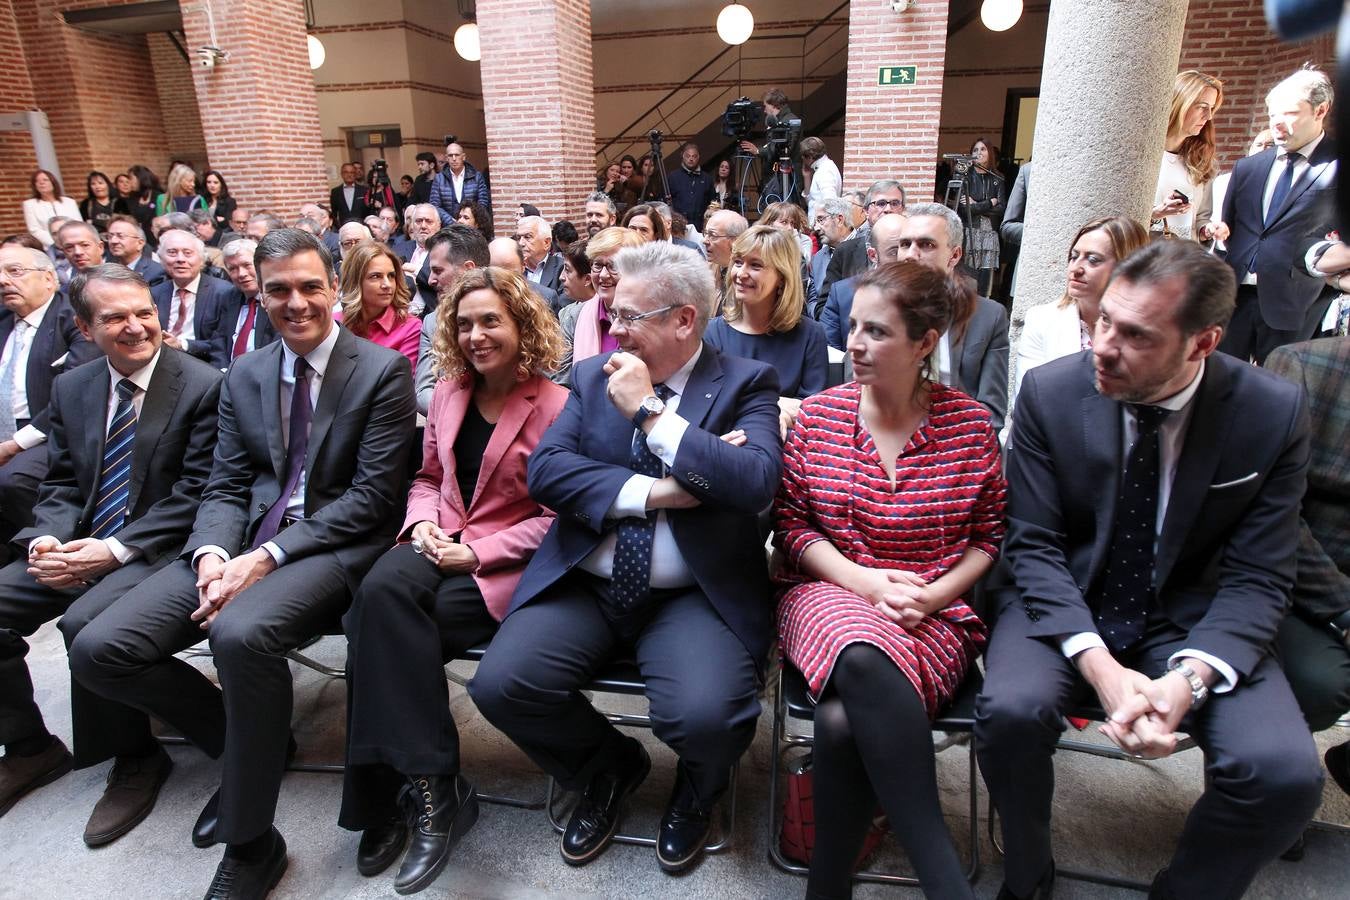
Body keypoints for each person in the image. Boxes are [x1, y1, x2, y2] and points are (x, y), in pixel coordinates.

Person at [69, 228, 417, 900]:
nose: (296, 303)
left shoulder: (380, 370)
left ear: (332, 291)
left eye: (310, 286)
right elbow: (225, 483)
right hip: (242, 542)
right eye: (279, 289)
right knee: (98, 648)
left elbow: (373, 500)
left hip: (330, 545)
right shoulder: (249, 373)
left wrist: (265, 557)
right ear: (259, 293)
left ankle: (252, 842)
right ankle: (245, 744)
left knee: (239, 634)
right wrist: (212, 553)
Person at [975, 239, 1322, 900]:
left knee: (1284, 776)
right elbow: (1034, 547)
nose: (1104, 344)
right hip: (1065, 600)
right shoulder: (1052, 391)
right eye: (1104, 319)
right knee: (1011, 713)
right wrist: (1104, 672)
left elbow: (1260, 576)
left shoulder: (1271, 413)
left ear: (1203, 342)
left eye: (1136, 335)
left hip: (1192, 613)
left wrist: (1188, 683)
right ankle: (1027, 876)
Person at [468, 240, 782, 875]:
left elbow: (753, 482)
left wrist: (652, 416)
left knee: (707, 717)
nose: (614, 325)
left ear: (683, 319)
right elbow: (549, 474)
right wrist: (661, 490)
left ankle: (698, 787)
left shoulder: (746, 381)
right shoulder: (589, 374)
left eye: (631, 315)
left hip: (693, 594)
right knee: (503, 686)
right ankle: (609, 767)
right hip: (587, 581)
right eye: (613, 312)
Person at [775, 260, 1004, 900]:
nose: (853, 344)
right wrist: (865, 582)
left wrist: (934, 594)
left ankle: (828, 889)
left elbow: (990, 537)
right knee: (860, 650)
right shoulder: (819, 418)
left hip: (933, 611)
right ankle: (943, 880)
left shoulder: (969, 426)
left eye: (876, 332)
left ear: (925, 343)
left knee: (844, 724)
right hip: (825, 591)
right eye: (852, 327)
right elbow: (792, 526)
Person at [339, 266, 567, 893]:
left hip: (503, 567)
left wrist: (480, 552)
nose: (475, 334)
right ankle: (435, 788)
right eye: (463, 323)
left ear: (522, 325)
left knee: (372, 625)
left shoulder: (556, 405)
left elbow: (562, 519)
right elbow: (426, 480)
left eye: (491, 320)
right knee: (378, 605)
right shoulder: (446, 392)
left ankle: (391, 799)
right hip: (435, 542)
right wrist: (419, 527)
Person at [0, 263, 221, 843]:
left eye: (144, 312)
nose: (135, 327)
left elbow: (196, 492)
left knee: (84, 626)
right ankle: (28, 747)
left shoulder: (200, 384)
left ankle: (138, 757)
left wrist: (113, 550)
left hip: (157, 544)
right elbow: (63, 481)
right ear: (83, 327)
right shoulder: (75, 387)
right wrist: (45, 538)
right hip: (77, 540)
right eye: (114, 317)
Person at [1263, 337, 1350, 805]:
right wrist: (1345, 610)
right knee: (1321, 683)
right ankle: (1268, 788)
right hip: (1300, 583)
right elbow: (1275, 516)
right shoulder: (1304, 367)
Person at [1216, 67, 1337, 364]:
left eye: (1289, 114)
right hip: (1233, 299)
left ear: (1321, 110)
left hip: (1297, 302)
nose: (1277, 126)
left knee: (1276, 389)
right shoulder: (1248, 168)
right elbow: (1231, 228)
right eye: (1272, 116)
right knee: (1218, 383)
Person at [0, 245, 103, 553]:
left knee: (13, 479)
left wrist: (14, 444)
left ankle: (48, 551)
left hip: (50, 430)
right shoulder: (4, 320)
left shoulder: (73, 320)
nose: (4, 281)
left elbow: (73, 393)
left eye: (15, 271)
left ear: (49, 279)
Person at [1009, 215, 1149, 419]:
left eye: (1093, 260)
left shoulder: (1147, 329)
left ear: (1126, 267)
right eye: (1074, 257)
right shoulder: (1042, 319)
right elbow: (1028, 403)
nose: (1076, 269)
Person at [893, 203, 1011, 432]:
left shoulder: (988, 317)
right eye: (905, 244)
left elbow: (992, 412)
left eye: (926, 245)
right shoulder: (875, 310)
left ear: (954, 255)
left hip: (957, 448)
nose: (911, 255)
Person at [706, 225, 826, 437]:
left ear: (781, 275)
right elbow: (706, 406)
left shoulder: (810, 335)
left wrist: (738, 401)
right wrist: (773, 407)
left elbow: (814, 412)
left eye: (756, 265)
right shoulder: (711, 333)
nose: (741, 274)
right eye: (738, 262)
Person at [414, 225, 491, 415]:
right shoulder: (433, 323)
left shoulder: (514, 313)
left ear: (468, 270)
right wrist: (464, 414)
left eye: (438, 271)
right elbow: (423, 393)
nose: (431, 280)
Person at [554, 226, 645, 384]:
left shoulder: (652, 318)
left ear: (637, 269)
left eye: (613, 266)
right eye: (597, 265)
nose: (603, 275)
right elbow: (562, 382)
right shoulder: (572, 316)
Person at [1151, 72, 1226, 243]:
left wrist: (1207, 230)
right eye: (1201, 106)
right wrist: (1157, 213)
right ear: (1180, 103)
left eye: (1212, 108)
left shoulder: (1203, 161)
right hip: (1143, 255)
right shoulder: (1144, 155)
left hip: (1181, 258)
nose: (1209, 116)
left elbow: (1200, 218)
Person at [149, 229, 235, 369]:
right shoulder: (155, 293)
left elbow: (223, 343)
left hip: (205, 365)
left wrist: (182, 344)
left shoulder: (223, 292)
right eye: (172, 253)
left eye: (188, 253)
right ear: (161, 259)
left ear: (201, 259)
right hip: (161, 364)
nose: (180, 259)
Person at [821, 212, 906, 351]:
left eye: (908, 246)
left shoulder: (932, 293)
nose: (905, 257)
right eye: (894, 252)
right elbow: (831, 357)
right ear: (873, 255)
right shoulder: (843, 295)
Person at [337, 241, 421, 369]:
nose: (387, 285)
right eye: (376, 276)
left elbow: (401, 382)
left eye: (391, 276)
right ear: (355, 281)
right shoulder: (333, 324)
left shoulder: (409, 327)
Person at [821, 179, 905, 299]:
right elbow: (824, 304)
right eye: (880, 203)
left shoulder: (913, 251)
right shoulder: (845, 252)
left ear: (903, 209)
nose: (888, 209)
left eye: (895, 203)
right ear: (866, 211)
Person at [219, 237, 278, 362]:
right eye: (233, 269)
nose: (241, 274)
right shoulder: (229, 298)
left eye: (247, 265)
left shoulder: (277, 298)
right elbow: (219, 342)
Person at [961, 139, 1005, 297]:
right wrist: (990, 202)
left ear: (990, 153)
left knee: (986, 279)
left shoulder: (997, 178)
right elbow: (965, 209)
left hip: (989, 234)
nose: (978, 153)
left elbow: (1001, 209)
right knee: (967, 275)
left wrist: (977, 204)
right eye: (975, 150)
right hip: (969, 231)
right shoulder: (965, 177)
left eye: (983, 149)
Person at [429, 141, 492, 225]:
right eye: (450, 156)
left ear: (463, 157)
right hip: (448, 227)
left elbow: (483, 201)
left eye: (457, 155)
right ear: (447, 158)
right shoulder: (439, 178)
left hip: (472, 227)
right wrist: (451, 222)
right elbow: (435, 205)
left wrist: (470, 219)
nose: (454, 158)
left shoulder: (476, 176)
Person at [23, 170, 82, 250]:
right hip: (49, 247)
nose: (41, 183)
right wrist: (56, 243)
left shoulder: (69, 202)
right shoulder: (30, 204)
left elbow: (79, 224)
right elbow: (34, 230)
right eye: (37, 181)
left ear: (53, 182)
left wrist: (71, 240)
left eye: (45, 180)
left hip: (74, 244)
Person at [105, 215, 167, 287]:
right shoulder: (105, 270)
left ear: (140, 243)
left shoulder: (156, 272)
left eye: (120, 236)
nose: (113, 241)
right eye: (110, 236)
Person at [666, 142, 715, 228]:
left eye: (694, 156)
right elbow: (665, 201)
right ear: (683, 157)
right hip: (677, 225)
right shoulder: (673, 177)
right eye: (688, 156)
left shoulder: (707, 179)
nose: (691, 159)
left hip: (699, 225)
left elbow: (713, 201)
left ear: (698, 157)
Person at [514, 216, 563, 293]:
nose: (521, 243)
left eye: (527, 237)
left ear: (546, 243)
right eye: (518, 238)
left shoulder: (562, 268)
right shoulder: (514, 268)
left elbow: (564, 304)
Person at [799, 137, 841, 224]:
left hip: (821, 227)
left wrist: (819, 226)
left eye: (803, 157)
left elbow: (830, 202)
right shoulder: (823, 168)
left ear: (809, 157)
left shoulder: (825, 171)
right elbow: (812, 201)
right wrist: (807, 177)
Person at [79, 172, 126, 236]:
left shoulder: (119, 202)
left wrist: (94, 222)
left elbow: (125, 222)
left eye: (100, 183)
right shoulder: (86, 203)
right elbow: (84, 225)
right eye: (93, 184)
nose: (97, 187)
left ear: (107, 184)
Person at [559, 238, 595, 308]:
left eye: (567, 270)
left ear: (588, 279)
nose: (561, 277)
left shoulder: (606, 313)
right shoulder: (564, 313)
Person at [203, 171, 237, 236]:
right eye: (209, 182)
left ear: (221, 184)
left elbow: (227, 222)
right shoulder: (203, 200)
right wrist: (217, 218)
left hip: (223, 234)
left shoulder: (230, 201)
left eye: (215, 182)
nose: (212, 185)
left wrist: (211, 218)